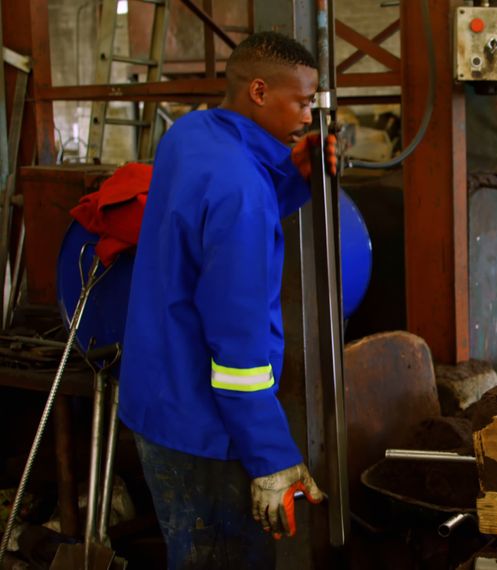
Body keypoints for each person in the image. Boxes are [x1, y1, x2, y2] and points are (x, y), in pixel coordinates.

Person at [118, 32, 337, 569]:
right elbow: (239, 349)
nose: (310, 116)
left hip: (157, 403)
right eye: (303, 101)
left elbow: (212, 210)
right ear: (259, 91)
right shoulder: (242, 193)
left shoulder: (191, 134)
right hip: (205, 429)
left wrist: (293, 176)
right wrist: (272, 458)